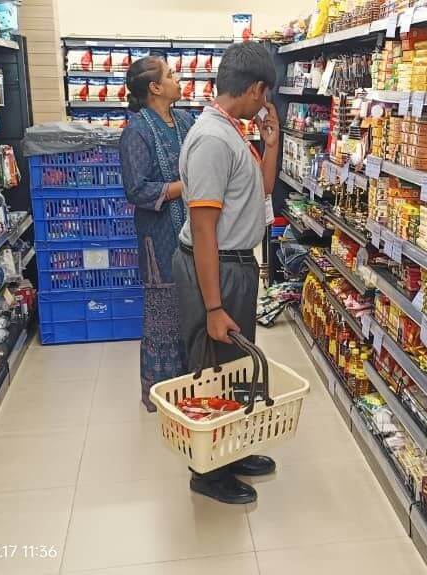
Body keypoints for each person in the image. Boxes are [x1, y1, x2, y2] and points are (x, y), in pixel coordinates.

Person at [173, 42, 280, 505]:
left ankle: (229, 450)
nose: (265, 102)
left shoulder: (232, 131)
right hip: (217, 266)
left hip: (235, 264)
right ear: (256, 89)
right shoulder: (214, 140)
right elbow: (203, 229)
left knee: (231, 366)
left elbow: (263, 191)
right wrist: (214, 306)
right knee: (208, 368)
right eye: (266, 93)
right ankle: (207, 471)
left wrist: (271, 145)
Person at [118, 56, 196, 412]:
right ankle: (164, 394)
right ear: (155, 88)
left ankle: (195, 387)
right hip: (159, 237)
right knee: (165, 314)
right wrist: (186, 186)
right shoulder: (136, 131)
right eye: (171, 75)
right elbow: (136, 189)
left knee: (193, 307)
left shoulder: (186, 120)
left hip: (194, 231)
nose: (178, 79)